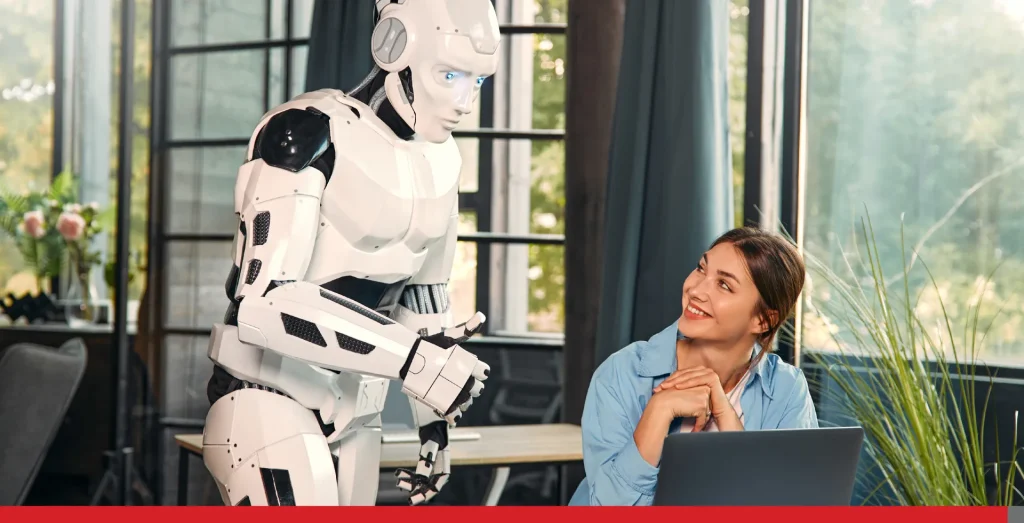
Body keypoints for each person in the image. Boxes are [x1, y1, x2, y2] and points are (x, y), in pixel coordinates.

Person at [200, 0, 501, 506]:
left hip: (359, 407)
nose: (464, 101)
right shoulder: (307, 133)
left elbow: (424, 303)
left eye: (477, 81)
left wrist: (433, 429)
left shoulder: (442, 162)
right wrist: (412, 361)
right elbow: (263, 303)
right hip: (266, 394)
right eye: (448, 74)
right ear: (394, 46)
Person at [568, 227, 819, 506]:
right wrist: (659, 410)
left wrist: (727, 418)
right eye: (701, 269)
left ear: (762, 320)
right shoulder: (621, 373)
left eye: (724, 285)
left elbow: (791, 507)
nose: (695, 289)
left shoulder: (786, 390)